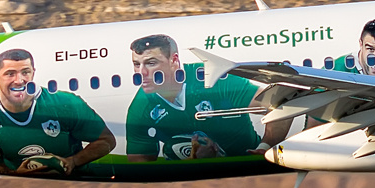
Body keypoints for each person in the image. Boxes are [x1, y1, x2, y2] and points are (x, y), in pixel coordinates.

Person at [123, 33, 287, 160]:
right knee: (172, 148)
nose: (141, 73)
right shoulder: (141, 108)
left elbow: (282, 103)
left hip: (246, 162)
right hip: (199, 180)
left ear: (174, 61)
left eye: (151, 63)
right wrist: (191, 166)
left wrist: (264, 148)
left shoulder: (213, 79)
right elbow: (140, 164)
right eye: (137, 64)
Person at [0, 47, 116, 176]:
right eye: (10, 74)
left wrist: (72, 162)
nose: (19, 80)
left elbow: (106, 140)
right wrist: (17, 174)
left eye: (25, 72)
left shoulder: (66, 104)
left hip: (76, 184)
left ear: (33, 73)